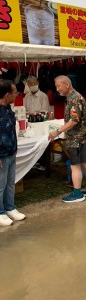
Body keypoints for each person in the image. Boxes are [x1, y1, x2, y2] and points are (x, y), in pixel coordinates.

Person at [49, 76, 86, 203]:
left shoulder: (74, 99)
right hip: (83, 136)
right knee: (84, 163)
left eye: (58, 86)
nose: (57, 89)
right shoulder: (75, 97)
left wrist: (58, 131)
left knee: (75, 166)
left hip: (77, 138)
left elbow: (74, 121)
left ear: (66, 85)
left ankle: (77, 193)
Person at [0, 80, 26, 226]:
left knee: (10, 183)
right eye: (15, 92)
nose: (17, 94)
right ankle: (0, 212)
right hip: (2, 154)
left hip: (11, 151)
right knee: (0, 185)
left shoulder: (9, 108)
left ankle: (10, 207)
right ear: (7, 94)